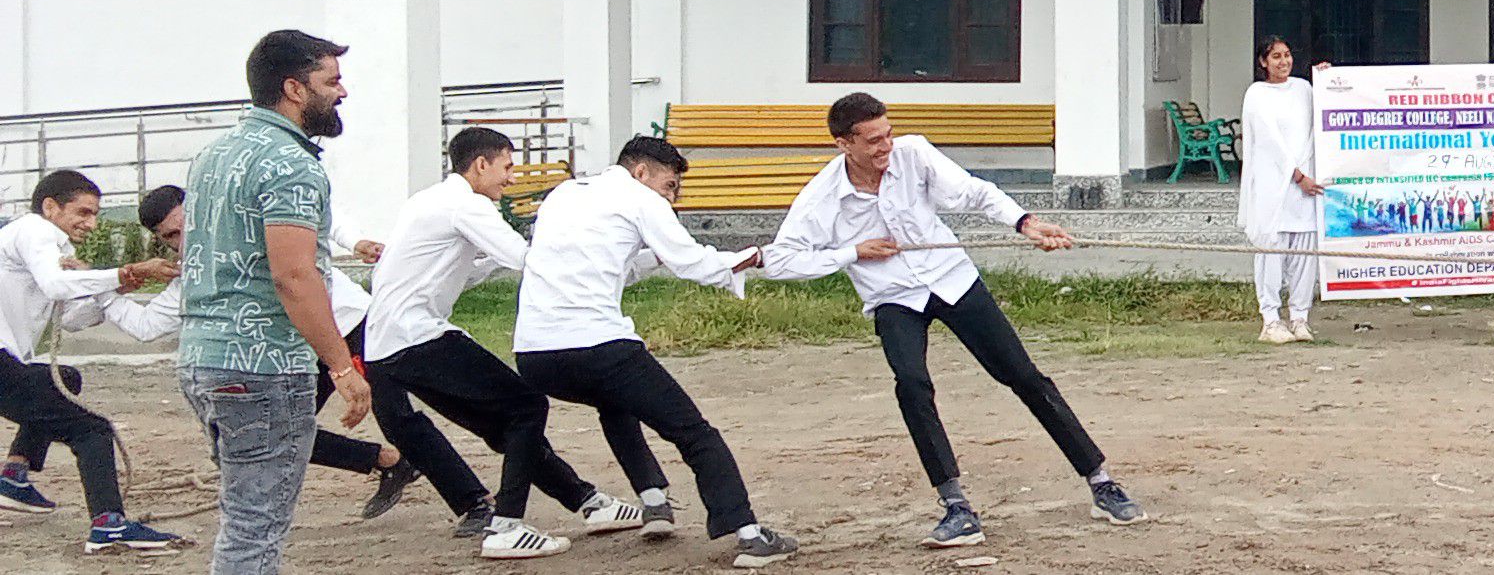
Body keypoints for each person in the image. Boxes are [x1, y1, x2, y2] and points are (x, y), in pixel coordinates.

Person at [763, 92, 1133, 547]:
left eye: (888, 134)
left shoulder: (914, 154)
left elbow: (974, 192)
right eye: (874, 141)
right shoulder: (823, 197)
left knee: (1023, 375)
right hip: (893, 296)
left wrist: (1025, 224)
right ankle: (956, 506)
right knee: (912, 384)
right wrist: (852, 252)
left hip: (951, 278)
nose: (886, 147)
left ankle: (1101, 481)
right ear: (844, 145)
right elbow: (781, 260)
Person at [350, 130, 646, 558]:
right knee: (527, 406)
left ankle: (589, 502)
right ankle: (506, 526)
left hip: (388, 346)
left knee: (505, 425)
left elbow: (460, 268)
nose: (511, 179)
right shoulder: (468, 206)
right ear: (481, 165)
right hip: (416, 337)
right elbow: (525, 258)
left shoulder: (427, 200)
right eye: (507, 167)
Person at [515, 138, 797, 566]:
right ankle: (748, 533)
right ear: (642, 172)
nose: (671, 197)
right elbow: (695, 264)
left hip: (535, 356)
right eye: (669, 186)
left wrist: (654, 258)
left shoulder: (565, 194)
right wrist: (750, 258)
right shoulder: (640, 199)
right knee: (696, 435)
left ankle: (653, 500)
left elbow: (609, 265)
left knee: (615, 404)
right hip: (599, 345)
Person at [113, 186, 454, 534]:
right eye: (172, 236)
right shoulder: (194, 275)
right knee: (281, 432)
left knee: (400, 417)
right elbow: (146, 325)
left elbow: (318, 214)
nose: (185, 239)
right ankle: (391, 462)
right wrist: (109, 284)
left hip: (351, 326)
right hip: (303, 350)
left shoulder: (249, 225)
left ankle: (476, 501)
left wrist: (354, 242)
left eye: (187, 226)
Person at [177, 29, 374, 575]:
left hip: (202, 355)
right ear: (293, 88)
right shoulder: (292, 164)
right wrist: (341, 366)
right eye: (331, 81)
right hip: (264, 362)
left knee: (244, 516)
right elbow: (293, 274)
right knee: (255, 527)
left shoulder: (213, 155)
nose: (342, 92)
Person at [0, 170, 187, 553]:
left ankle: (14, 475)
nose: (91, 223)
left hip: (8, 362)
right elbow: (56, 286)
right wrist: (127, 271)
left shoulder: (54, 250)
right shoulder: (34, 230)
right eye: (83, 212)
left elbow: (69, 318)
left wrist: (113, 289)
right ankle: (109, 525)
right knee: (93, 430)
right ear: (50, 207)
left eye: (95, 214)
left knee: (64, 379)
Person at [1237, 38, 1322, 344]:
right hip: (1275, 187)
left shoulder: (1303, 88)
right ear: (1263, 62)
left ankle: (1300, 317)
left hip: (1305, 189)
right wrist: (1297, 176)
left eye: (1287, 55)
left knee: (1303, 255)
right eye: (1276, 57)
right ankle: (1271, 320)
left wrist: (1328, 81)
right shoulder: (1257, 94)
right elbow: (1271, 142)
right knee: (1271, 254)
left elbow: (1321, 119)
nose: (1283, 62)